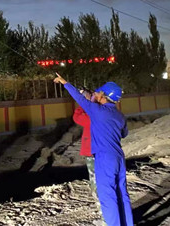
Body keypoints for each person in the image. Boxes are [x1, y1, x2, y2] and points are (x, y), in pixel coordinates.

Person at [55, 73, 133, 226]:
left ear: (103, 96)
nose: (96, 95)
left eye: (98, 93)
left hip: (104, 158)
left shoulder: (98, 111)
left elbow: (79, 99)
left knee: (108, 196)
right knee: (122, 193)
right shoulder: (119, 115)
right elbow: (124, 133)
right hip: (118, 157)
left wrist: (65, 82)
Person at [72, 90, 99, 207]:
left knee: (95, 179)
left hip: (93, 152)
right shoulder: (106, 112)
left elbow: (77, 117)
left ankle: (101, 208)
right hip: (106, 151)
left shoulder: (93, 116)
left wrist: (83, 102)